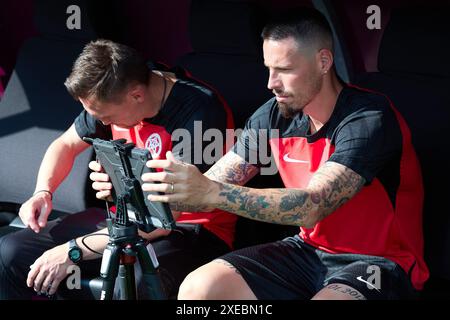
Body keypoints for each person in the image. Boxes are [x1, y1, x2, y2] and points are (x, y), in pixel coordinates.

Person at [140, 8, 429, 300]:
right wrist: (142, 188)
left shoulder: (368, 118)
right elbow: (209, 185)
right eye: (268, 68)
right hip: (308, 252)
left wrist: (210, 192)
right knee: (199, 289)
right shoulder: (274, 115)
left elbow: (314, 206)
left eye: (285, 70)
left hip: (378, 264)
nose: (271, 82)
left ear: (323, 62)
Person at [0, 39, 237, 299]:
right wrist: (43, 192)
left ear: (136, 95)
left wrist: (74, 250)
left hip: (191, 229)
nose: (100, 122)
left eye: (106, 117)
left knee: (130, 285)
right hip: (123, 220)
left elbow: (164, 218)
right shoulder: (113, 91)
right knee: (12, 251)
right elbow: (65, 144)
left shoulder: (199, 112)